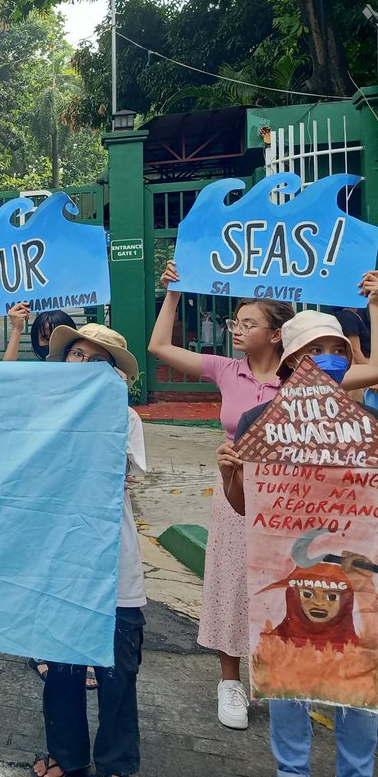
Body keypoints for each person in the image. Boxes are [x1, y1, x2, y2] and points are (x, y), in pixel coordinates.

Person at [217, 310, 378, 777]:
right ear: (290, 360)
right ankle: (292, 770)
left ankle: (358, 771)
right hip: (284, 578)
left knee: (359, 682)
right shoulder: (258, 420)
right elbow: (246, 508)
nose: (328, 360)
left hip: (356, 583)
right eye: (315, 350)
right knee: (287, 675)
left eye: (337, 351)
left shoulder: (369, 422)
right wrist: (231, 473)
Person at [147, 260, 295, 730]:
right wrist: (172, 291)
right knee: (232, 583)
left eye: (249, 323)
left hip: (289, 500)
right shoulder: (228, 370)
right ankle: (230, 681)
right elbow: (158, 347)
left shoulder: (303, 376)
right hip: (234, 493)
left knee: (288, 587)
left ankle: (279, 674)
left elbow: (369, 369)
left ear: (276, 334)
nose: (236, 329)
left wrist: (373, 304)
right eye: (236, 321)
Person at [31, 322, 147, 777]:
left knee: (119, 672)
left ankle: (117, 764)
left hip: (114, 564)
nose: (84, 365)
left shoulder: (127, 418)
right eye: (77, 355)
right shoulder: (43, 412)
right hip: (58, 561)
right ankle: (68, 758)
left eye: (98, 361)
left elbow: (114, 472)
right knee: (62, 670)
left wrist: (110, 406)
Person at [2, 304, 96, 690]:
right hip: (41, 491)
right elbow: (4, 381)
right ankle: (41, 647)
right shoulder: (34, 378)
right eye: (43, 334)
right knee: (41, 569)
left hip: (82, 495)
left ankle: (82, 652)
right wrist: (14, 329)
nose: (48, 341)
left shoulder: (95, 385)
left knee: (80, 572)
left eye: (58, 333)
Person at [2, 306, 77, 362]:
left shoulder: (83, 364)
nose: (52, 343)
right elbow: (6, 374)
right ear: (36, 340)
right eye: (46, 338)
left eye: (60, 338)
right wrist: (16, 329)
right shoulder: (34, 371)